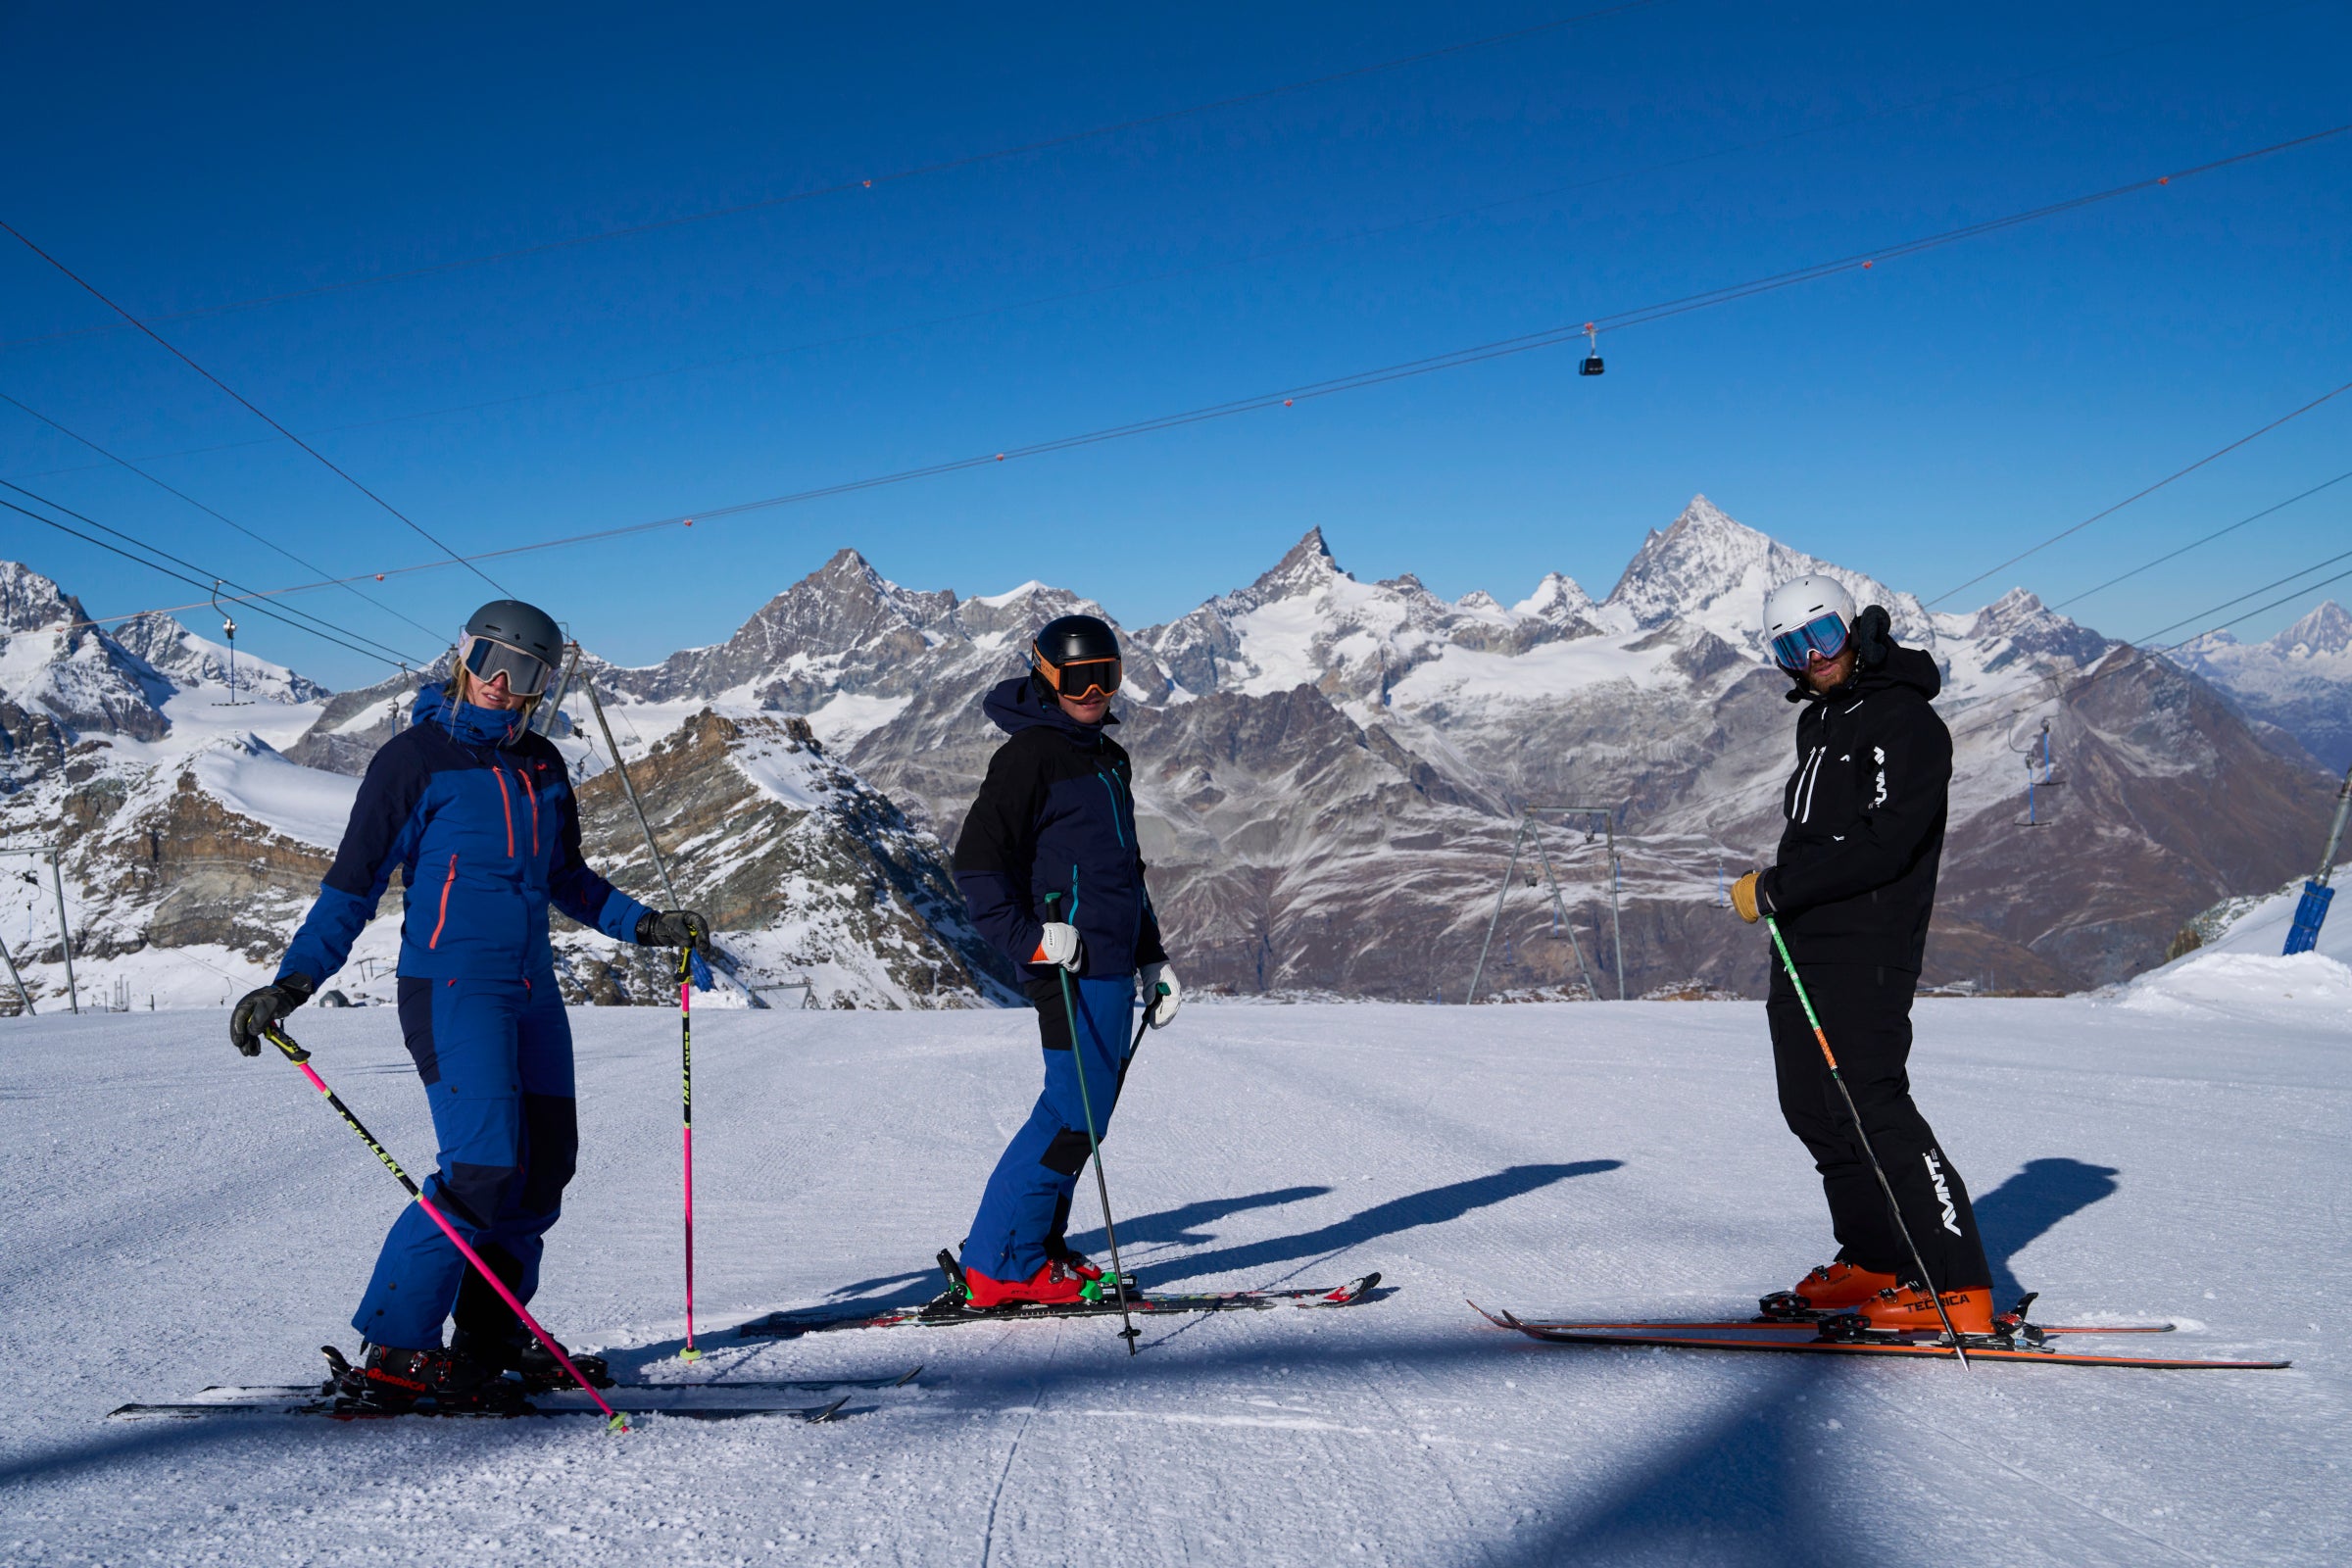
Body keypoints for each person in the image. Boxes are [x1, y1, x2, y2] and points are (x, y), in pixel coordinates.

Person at [229, 599, 710, 1407]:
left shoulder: (543, 765)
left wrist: (645, 925)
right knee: (481, 1168)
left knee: (543, 1170)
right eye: (490, 659)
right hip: (452, 989)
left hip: (530, 992)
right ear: (463, 656)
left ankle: (489, 1342)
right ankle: (395, 1348)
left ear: (543, 686)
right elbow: (351, 888)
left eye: (523, 672)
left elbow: (566, 878)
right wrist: (292, 982)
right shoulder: (412, 761)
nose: (500, 682)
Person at [1728, 573, 1996, 1335]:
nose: (1810, 658)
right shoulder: (1823, 720)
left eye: (1821, 638)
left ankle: (1956, 1285)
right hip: (1805, 941)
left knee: (1872, 1102)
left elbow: (1887, 844)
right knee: (1811, 1106)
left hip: (1867, 945)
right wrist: (1787, 899)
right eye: (1790, 647)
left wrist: (1778, 886)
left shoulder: (1904, 722)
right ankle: (1877, 1259)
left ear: (1857, 630)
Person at [951, 613, 1182, 1307]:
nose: (1092, 691)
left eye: (1104, 676)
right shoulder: (1030, 756)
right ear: (1044, 677)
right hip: (1066, 964)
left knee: (1089, 1113)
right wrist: (1030, 940)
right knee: (1071, 1111)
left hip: (1113, 962)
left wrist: (1151, 957)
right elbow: (977, 866)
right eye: (1076, 678)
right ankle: (999, 1262)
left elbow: (1121, 872)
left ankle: (1036, 1248)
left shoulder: (1108, 757)